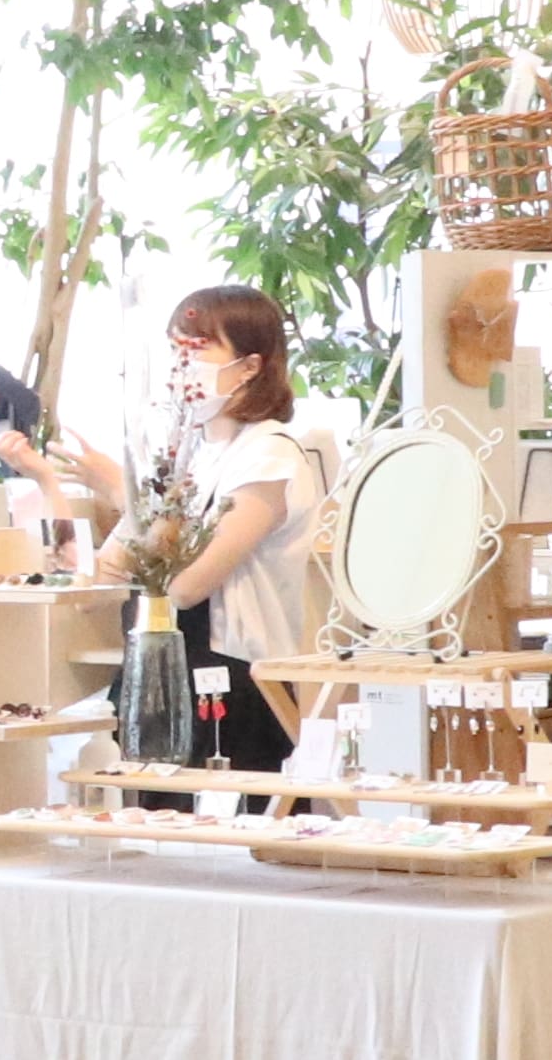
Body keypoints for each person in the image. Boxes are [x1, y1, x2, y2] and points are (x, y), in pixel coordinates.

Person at [17, 283, 325, 773]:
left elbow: (185, 586)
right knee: (146, 809)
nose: (182, 366)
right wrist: (47, 481)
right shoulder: (184, 455)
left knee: (229, 814)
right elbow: (101, 580)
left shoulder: (270, 455)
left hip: (236, 680)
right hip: (155, 673)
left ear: (250, 365)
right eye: (175, 350)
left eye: (197, 349)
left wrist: (124, 495)